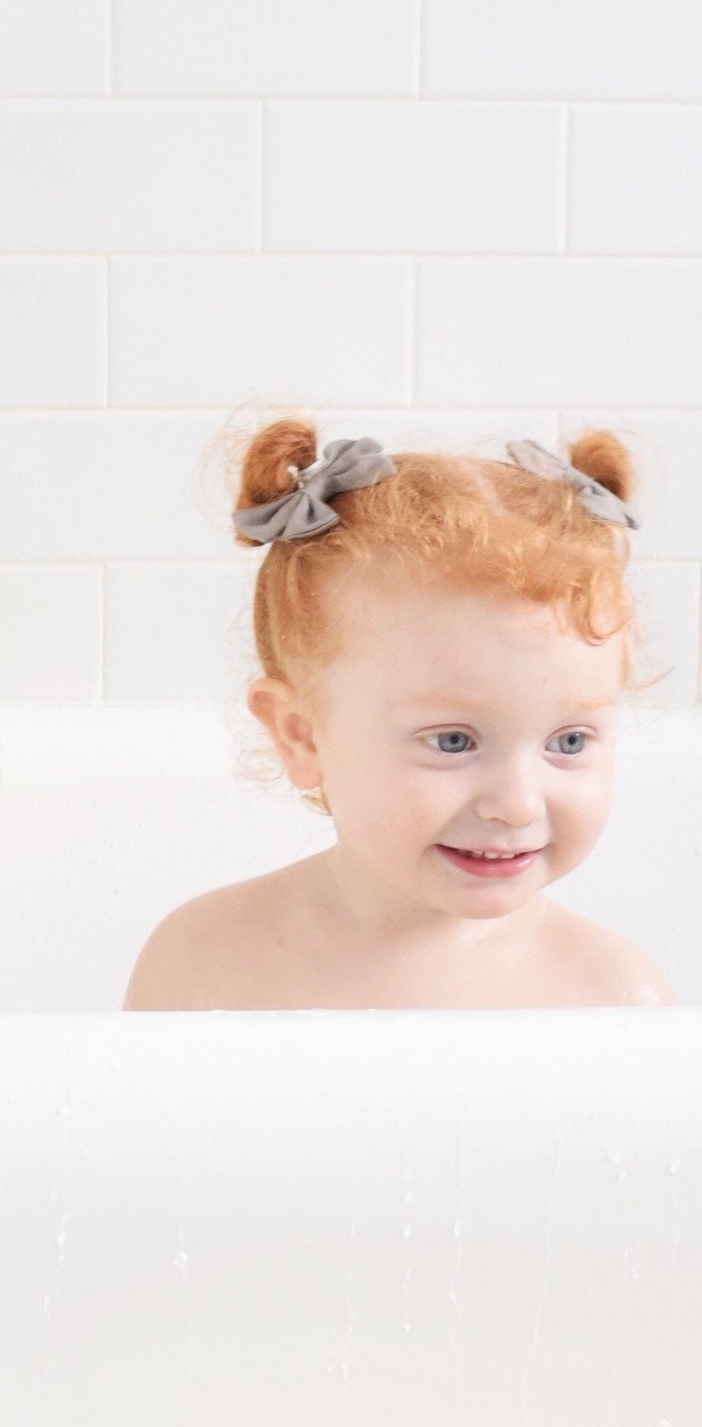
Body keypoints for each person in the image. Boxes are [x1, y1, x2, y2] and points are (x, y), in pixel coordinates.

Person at [125, 418, 675, 1011]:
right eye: (453, 741)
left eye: (569, 742)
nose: (518, 805)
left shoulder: (613, 998)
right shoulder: (202, 962)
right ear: (301, 735)